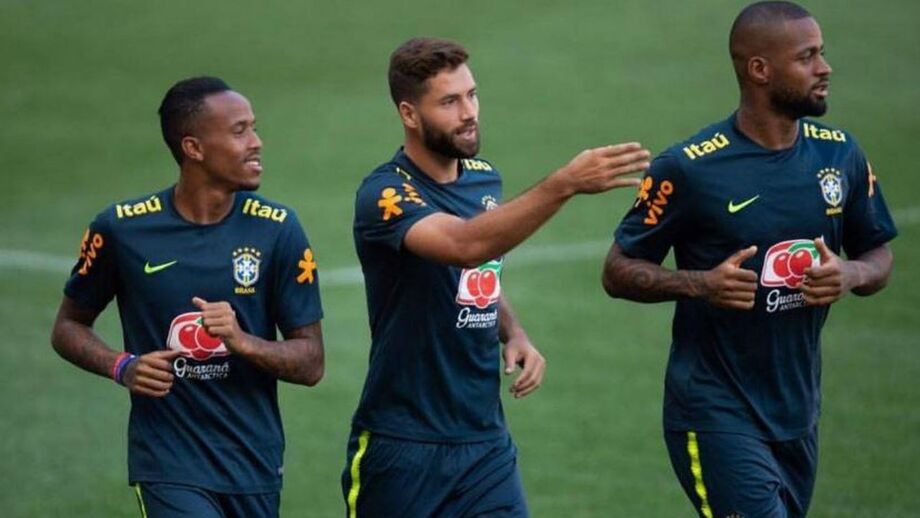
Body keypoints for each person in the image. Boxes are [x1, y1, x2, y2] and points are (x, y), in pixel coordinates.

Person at [602, 2, 897, 517]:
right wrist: (700, 284)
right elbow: (617, 270)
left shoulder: (839, 155)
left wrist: (850, 273)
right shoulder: (690, 167)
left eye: (821, 53)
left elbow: (878, 253)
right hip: (714, 410)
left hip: (797, 413)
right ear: (760, 69)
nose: (825, 68)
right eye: (807, 57)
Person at [341, 37, 650, 517]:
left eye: (472, 95)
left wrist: (513, 330)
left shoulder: (483, 179)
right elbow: (465, 247)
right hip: (403, 446)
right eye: (449, 102)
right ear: (409, 114)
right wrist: (565, 183)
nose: (469, 113)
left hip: (485, 445)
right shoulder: (385, 194)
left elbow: (479, 268)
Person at [50, 76, 325, 518]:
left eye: (253, 128)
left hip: (253, 465)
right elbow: (68, 326)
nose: (256, 142)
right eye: (239, 131)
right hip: (168, 463)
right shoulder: (122, 229)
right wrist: (121, 366)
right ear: (194, 148)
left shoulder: (278, 229)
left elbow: (311, 363)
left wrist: (241, 340)